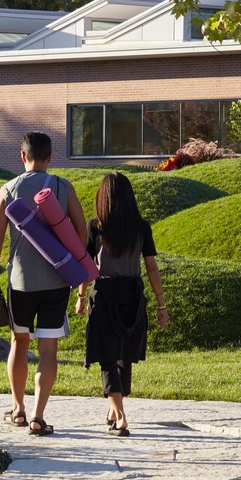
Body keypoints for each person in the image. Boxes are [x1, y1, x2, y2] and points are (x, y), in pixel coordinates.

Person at [0, 132, 87, 436]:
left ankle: (18, 410)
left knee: (19, 343)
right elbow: (81, 232)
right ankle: (38, 417)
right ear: (50, 157)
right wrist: (75, 267)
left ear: (22, 156)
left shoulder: (8, 189)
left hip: (20, 282)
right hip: (57, 280)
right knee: (48, 350)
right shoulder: (63, 186)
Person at [74, 172, 169, 436]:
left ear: (102, 197)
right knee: (124, 355)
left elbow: (86, 265)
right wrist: (161, 304)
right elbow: (151, 268)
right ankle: (114, 409)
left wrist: (81, 296)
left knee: (107, 356)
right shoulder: (141, 227)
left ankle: (120, 416)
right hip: (132, 294)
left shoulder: (96, 226)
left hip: (104, 292)